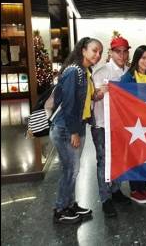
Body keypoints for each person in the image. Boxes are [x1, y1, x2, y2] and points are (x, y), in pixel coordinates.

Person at [50, 37, 102, 224]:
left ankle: (70, 204)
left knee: (72, 169)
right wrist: (73, 132)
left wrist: (97, 94)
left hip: (76, 126)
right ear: (83, 50)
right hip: (66, 128)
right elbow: (70, 104)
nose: (98, 55)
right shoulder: (74, 72)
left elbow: (84, 99)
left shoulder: (85, 71)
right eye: (94, 50)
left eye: (100, 52)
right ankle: (60, 209)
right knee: (70, 170)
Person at [91, 36, 132, 217]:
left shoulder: (129, 72)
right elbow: (92, 97)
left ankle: (116, 190)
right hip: (102, 124)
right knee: (103, 161)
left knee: (120, 159)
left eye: (125, 51)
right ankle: (105, 199)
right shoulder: (101, 72)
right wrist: (100, 93)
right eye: (118, 51)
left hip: (122, 125)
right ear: (111, 53)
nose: (122, 55)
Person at [120, 45, 146, 204]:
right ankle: (135, 190)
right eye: (143, 58)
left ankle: (143, 187)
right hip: (133, 125)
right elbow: (121, 100)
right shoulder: (128, 77)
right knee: (134, 158)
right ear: (137, 58)